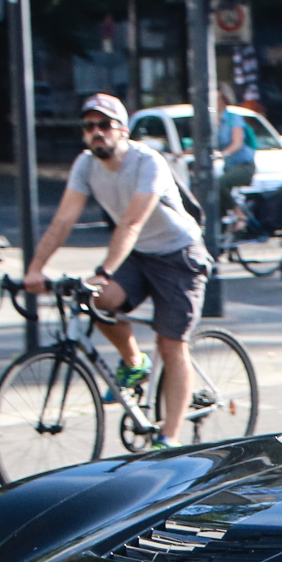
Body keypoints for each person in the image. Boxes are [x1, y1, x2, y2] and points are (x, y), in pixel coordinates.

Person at [22, 94, 210, 446]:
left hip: (179, 255)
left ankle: (169, 439)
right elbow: (63, 220)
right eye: (89, 127)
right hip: (137, 255)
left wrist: (104, 269)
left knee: (171, 344)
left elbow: (132, 223)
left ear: (123, 130)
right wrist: (35, 269)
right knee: (95, 299)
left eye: (104, 125)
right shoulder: (85, 165)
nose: (97, 133)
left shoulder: (147, 162)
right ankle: (134, 361)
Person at [212, 86, 256, 195]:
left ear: (223, 100)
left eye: (216, 98)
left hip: (243, 165)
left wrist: (222, 154)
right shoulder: (212, 122)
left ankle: (239, 212)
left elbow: (237, 143)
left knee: (221, 184)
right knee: (214, 190)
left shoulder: (233, 118)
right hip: (229, 166)